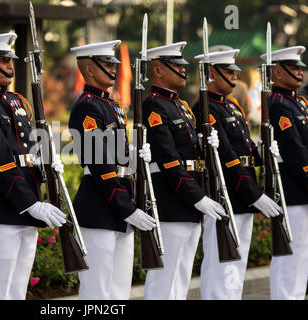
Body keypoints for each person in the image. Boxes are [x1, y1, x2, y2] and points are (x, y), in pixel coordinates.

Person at [0, 33, 66, 300]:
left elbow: (27, 148)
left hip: (24, 204)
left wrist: (46, 164)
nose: (9, 65)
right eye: (1, 59)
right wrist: (28, 202)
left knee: (17, 290)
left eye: (10, 59)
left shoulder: (17, 101)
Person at [68, 40, 155, 300]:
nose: (113, 69)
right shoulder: (86, 107)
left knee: (118, 291)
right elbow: (100, 166)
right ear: (90, 70)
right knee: (97, 292)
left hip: (119, 205)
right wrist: (126, 207)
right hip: (98, 207)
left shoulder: (114, 107)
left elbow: (118, 158)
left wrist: (136, 158)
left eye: (113, 64)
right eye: (106, 64)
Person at [192, 48, 282, 300]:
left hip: (242, 196)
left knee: (236, 265)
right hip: (226, 195)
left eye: (234, 71)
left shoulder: (230, 105)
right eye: (228, 72)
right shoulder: (205, 108)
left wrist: (262, 152)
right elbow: (226, 158)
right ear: (211, 73)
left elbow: (243, 147)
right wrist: (254, 194)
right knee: (222, 266)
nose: (234, 77)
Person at [141, 42, 226, 300]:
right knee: (164, 282)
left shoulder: (182, 107)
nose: (182, 70)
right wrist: (197, 197)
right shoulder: (153, 105)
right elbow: (169, 161)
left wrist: (204, 145)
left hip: (188, 201)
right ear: (157, 69)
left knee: (181, 279)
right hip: (172, 201)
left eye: (182, 65)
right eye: (175, 65)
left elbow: (190, 156)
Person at [263, 46, 308, 300]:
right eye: (292, 68)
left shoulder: (299, 102)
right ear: (277, 72)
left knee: (302, 260)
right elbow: (294, 151)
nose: (299, 73)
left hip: (302, 191)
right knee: (290, 259)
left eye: (300, 68)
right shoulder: (278, 104)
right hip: (292, 191)